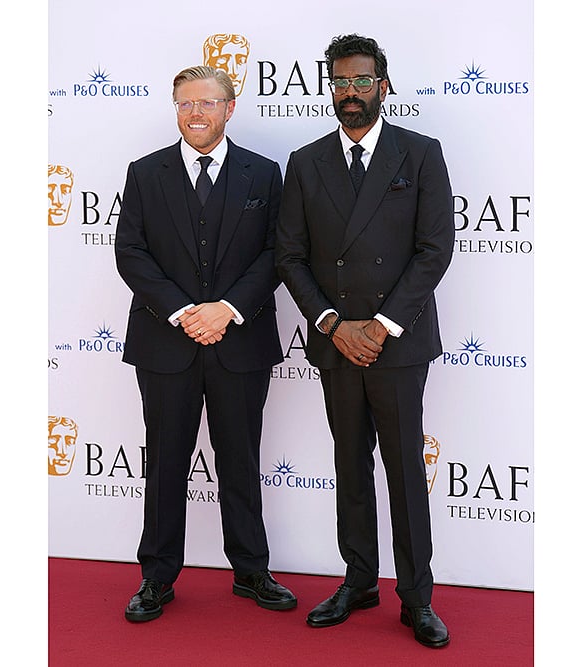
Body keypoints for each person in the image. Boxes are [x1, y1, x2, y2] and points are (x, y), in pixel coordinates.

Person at [275, 34, 454, 648]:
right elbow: (290, 256)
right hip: (335, 340)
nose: (349, 93)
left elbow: (435, 251)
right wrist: (332, 322)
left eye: (361, 82)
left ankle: (416, 597)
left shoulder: (421, 154)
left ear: (384, 84)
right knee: (349, 465)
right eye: (339, 82)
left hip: (396, 345)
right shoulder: (305, 161)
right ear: (330, 87)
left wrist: (380, 326)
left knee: (404, 470)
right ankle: (358, 580)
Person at [115, 65, 296, 623]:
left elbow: (277, 253)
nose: (196, 113)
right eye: (185, 103)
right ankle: (157, 577)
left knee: (240, 458)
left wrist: (228, 310)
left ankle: (251, 570)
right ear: (175, 108)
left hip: (239, 341)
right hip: (165, 342)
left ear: (230, 107)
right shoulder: (145, 173)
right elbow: (131, 252)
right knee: (166, 462)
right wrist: (183, 312)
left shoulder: (264, 175)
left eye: (208, 103)